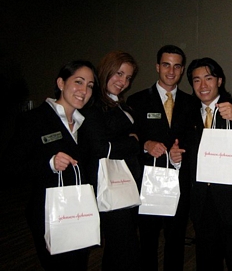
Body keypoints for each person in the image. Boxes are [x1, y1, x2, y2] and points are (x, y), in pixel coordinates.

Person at [2, 60, 97, 270]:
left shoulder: (86, 122)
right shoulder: (34, 119)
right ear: (61, 82)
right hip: (50, 215)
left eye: (89, 85)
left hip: (81, 212)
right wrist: (49, 164)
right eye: (78, 82)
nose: (84, 90)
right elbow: (9, 169)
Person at [185, 57, 232, 271]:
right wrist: (176, 158)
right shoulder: (188, 115)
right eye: (196, 80)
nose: (203, 85)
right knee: (207, 262)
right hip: (203, 204)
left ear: (219, 80)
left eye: (208, 78)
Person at [126, 45, 197, 271]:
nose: (171, 71)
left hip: (179, 181)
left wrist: (182, 152)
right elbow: (128, 140)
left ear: (182, 69)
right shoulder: (136, 101)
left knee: (175, 240)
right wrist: (145, 145)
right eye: (166, 64)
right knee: (147, 240)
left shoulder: (192, 102)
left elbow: (195, 139)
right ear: (157, 67)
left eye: (177, 66)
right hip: (148, 182)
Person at [80, 51, 142, 270]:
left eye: (128, 78)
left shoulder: (122, 105)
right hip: (110, 185)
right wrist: (133, 142)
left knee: (119, 247)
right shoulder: (94, 106)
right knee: (124, 247)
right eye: (119, 74)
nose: (123, 81)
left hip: (126, 183)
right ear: (106, 70)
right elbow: (100, 148)